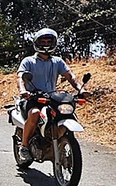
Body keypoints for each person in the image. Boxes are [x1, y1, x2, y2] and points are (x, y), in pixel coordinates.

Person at [16, 28, 82, 162]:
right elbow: (21, 77)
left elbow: (71, 77)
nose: (46, 44)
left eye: (48, 41)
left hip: (51, 98)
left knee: (66, 113)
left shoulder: (58, 62)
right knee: (34, 113)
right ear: (36, 43)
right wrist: (23, 91)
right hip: (32, 98)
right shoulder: (28, 61)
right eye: (43, 41)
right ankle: (24, 146)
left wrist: (81, 89)